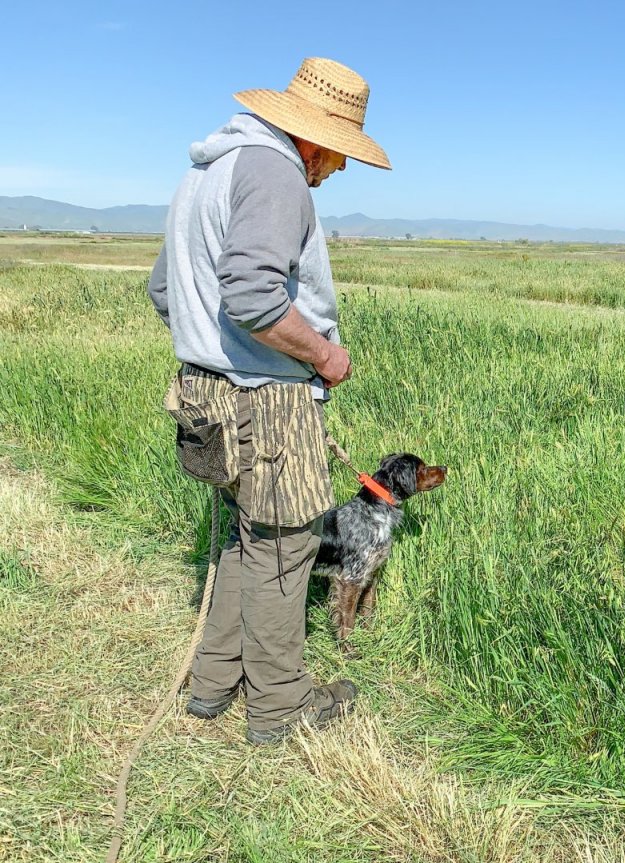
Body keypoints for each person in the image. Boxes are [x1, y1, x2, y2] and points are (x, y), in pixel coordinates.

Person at [146, 57, 391, 745]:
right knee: (284, 546)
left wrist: (211, 352)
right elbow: (254, 295)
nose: (337, 170)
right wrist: (323, 354)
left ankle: (213, 681)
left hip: (206, 398)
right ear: (312, 140)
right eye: (339, 156)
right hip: (269, 403)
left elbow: (165, 291)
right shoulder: (277, 174)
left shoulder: (203, 173)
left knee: (245, 539)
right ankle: (281, 705)